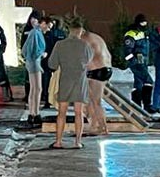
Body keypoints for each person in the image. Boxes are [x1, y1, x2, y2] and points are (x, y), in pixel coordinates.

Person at [46, 16, 92, 149]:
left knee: (61, 112)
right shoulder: (85, 46)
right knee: (79, 112)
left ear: (69, 30)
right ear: (80, 31)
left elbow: (52, 64)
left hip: (65, 80)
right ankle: (77, 142)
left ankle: (58, 141)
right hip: (80, 81)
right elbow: (88, 61)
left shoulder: (60, 45)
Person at [83, 28, 113, 136]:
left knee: (95, 101)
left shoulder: (84, 39)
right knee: (90, 100)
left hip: (97, 70)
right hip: (106, 69)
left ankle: (102, 127)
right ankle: (94, 125)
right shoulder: (96, 37)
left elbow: (84, 58)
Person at [122, 14, 153, 109]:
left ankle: (137, 105)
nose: (144, 24)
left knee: (138, 83)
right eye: (142, 22)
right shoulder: (131, 34)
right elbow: (127, 51)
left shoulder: (143, 33)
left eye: (145, 22)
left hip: (143, 62)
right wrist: (134, 60)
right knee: (148, 81)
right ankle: (146, 105)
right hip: (137, 63)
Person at [21, 11, 46, 128]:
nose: (33, 21)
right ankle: (35, 113)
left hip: (31, 62)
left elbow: (25, 50)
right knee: (37, 88)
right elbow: (33, 50)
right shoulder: (36, 33)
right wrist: (41, 54)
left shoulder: (33, 32)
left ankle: (32, 113)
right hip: (35, 63)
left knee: (33, 88)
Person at [40, 15, 67, 108]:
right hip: (53, 60)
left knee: (48, 81)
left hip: (49, 59)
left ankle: (49, 100)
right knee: (51, 81)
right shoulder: (60, 34)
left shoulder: (49, 34)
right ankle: (51, 100)